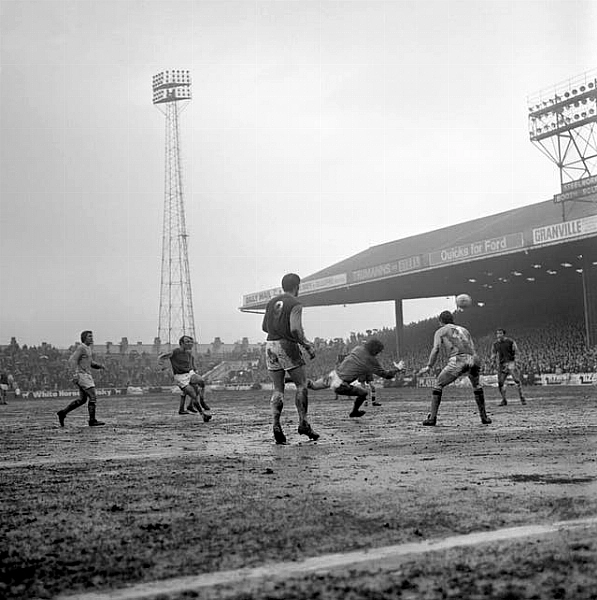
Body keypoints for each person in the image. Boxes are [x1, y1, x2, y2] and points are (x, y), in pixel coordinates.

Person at [262, 272, 318, 445]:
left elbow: (264, 327)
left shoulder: (272, 302)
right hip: (287, 345)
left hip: (270, 345)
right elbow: (295, 329)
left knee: (278, 389)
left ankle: (276, 424)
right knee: (301, 385)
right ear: (297, 286)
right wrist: (307, 345)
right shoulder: (295, 303)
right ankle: (303, 423)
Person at [417, 311, 491, 426]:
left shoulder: (441, 331)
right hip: (474, 359)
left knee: (438, 385)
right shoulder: (465, 330)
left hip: (458, 360)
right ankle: (484, 417)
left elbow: (436, 348)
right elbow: (472, 347)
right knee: (477, 385)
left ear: (440, 321)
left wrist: (429, 366)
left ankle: (432, 418)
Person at [309, 339, 402, 418]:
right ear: (375, 350)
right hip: (341, 384)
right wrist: (398, 369)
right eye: (378, 351)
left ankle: (297, 380)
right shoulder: (371, 360)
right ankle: (354, 412)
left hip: (333, 375)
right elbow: (386, 375)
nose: (378, 353)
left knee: (313, 385)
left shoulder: (358, 348)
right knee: (364, 393)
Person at [57, 330, 106, 427]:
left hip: (86, 375)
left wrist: (99, 366)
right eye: (89, 336)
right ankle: (92, 420)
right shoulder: (81, 348)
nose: (91, 338)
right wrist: (75, 374)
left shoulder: (87, 348)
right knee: (92, 396)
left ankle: (63, 413)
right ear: (84, 338)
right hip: (82, 375)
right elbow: (72, 360)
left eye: (92, 336)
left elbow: (90, 363)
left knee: (83, 399)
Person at [158, 335, 212, 421]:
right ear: (181, 343)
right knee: (193, 394)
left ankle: (201, 401)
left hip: (189, 373)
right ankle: (203, 415)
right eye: (187, 342)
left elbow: (191, 362)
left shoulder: (188, 353)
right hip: (180, 377)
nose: (190, 343)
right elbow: (161, 357)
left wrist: (194, 370)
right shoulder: (175, 352)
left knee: (201, 381)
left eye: (191, 342)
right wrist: (164, 368)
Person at [492, 328, 526, 406]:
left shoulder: (510, 342)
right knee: (500, 383)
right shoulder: (495, 344)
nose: (498, 335)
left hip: (511, 363)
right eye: (497, 334)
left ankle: (522, 397)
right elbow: (493, 353)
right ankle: (504, 400)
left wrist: (516, 361)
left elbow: (516, 351)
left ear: (503, 334)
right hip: (501, 365)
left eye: (500, 333)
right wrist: (493, 359)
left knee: (517, 380)